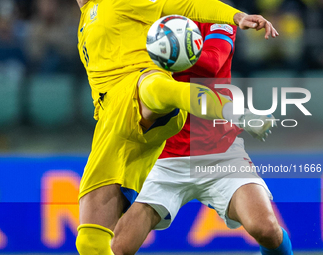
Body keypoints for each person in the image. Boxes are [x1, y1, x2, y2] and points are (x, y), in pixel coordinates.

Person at [74, 0, 279, 254]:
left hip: (218, 151)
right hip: (164, 157)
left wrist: (166, 49)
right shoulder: (104, 17)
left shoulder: (213, 14)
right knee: (114, 246)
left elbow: (212, 62)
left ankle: (237, 113)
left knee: (267, 229)